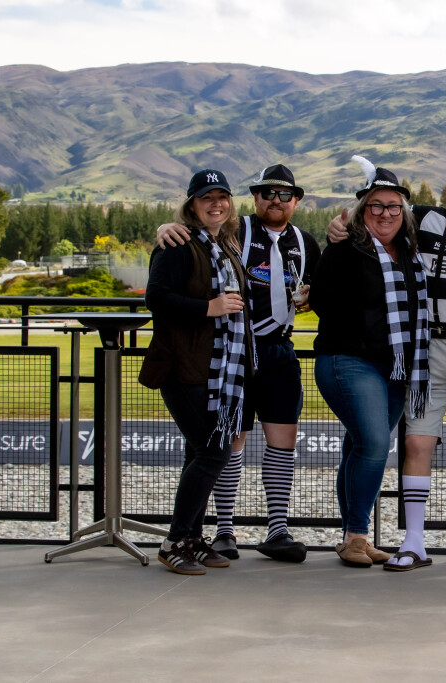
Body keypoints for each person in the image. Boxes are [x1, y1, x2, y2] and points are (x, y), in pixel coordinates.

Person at [329, 161, 446, 571]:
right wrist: (339, 224)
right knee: (417, 443)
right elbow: (377, 214)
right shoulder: (426, 220)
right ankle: (413, 541)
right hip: (427, 348)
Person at [157, 164, 321, 563]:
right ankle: (223, 529)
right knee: (229, 440)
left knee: (283, 440)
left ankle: (277, 529)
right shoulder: (236, 229)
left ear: (297, 200)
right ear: (254, 197)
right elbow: (193, 235)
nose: (276, 200)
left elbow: (319, 288)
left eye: (285, 194)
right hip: (236, 351)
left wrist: (310, 298)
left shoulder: (305, 241)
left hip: (280, 349)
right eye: (268, 193)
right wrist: (166, 227)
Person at [310, 156, 430, 568]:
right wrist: (363, 325)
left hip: (395, 367)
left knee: (359, 445)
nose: (385, 214)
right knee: (376, 443)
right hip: (349, 359)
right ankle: (357, 537)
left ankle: (352, 535)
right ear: (362, 210)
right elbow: (321, 301)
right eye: (376, 205)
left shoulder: (411, 252)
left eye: (394, 206)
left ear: (404, 211)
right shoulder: (346, 247)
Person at [140, 169, 253, 575]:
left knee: (199, 452)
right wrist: (209, 308)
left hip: (218, 371)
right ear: (192, 205)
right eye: (207, 198)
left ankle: (191, 538)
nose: (216, 204)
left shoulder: (224, 245)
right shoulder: (177, 244)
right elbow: (157, 298)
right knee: (213, 451)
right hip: (184, 367)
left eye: (222, 197)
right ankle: (174, 541)